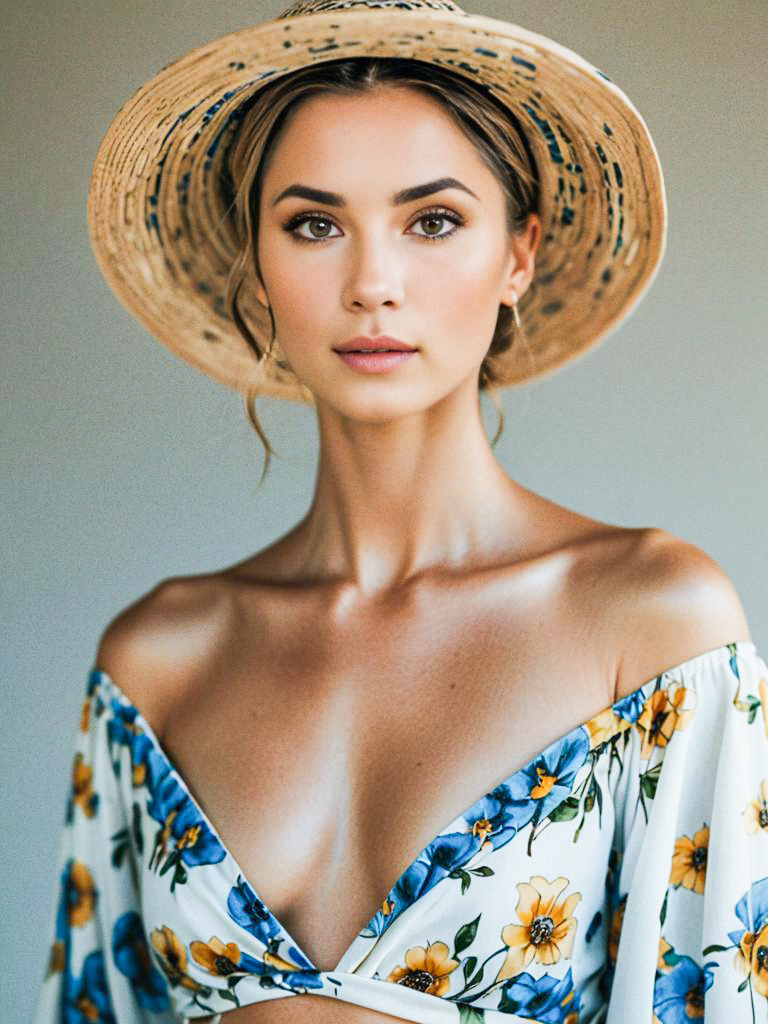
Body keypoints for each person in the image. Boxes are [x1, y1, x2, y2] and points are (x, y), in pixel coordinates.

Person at [35, 2, 768, 1023]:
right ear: (259, 266)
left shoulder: (650, 629)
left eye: (432, 221)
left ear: (519, 255)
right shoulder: (160, 660)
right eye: (314, 224)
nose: (372, 283)